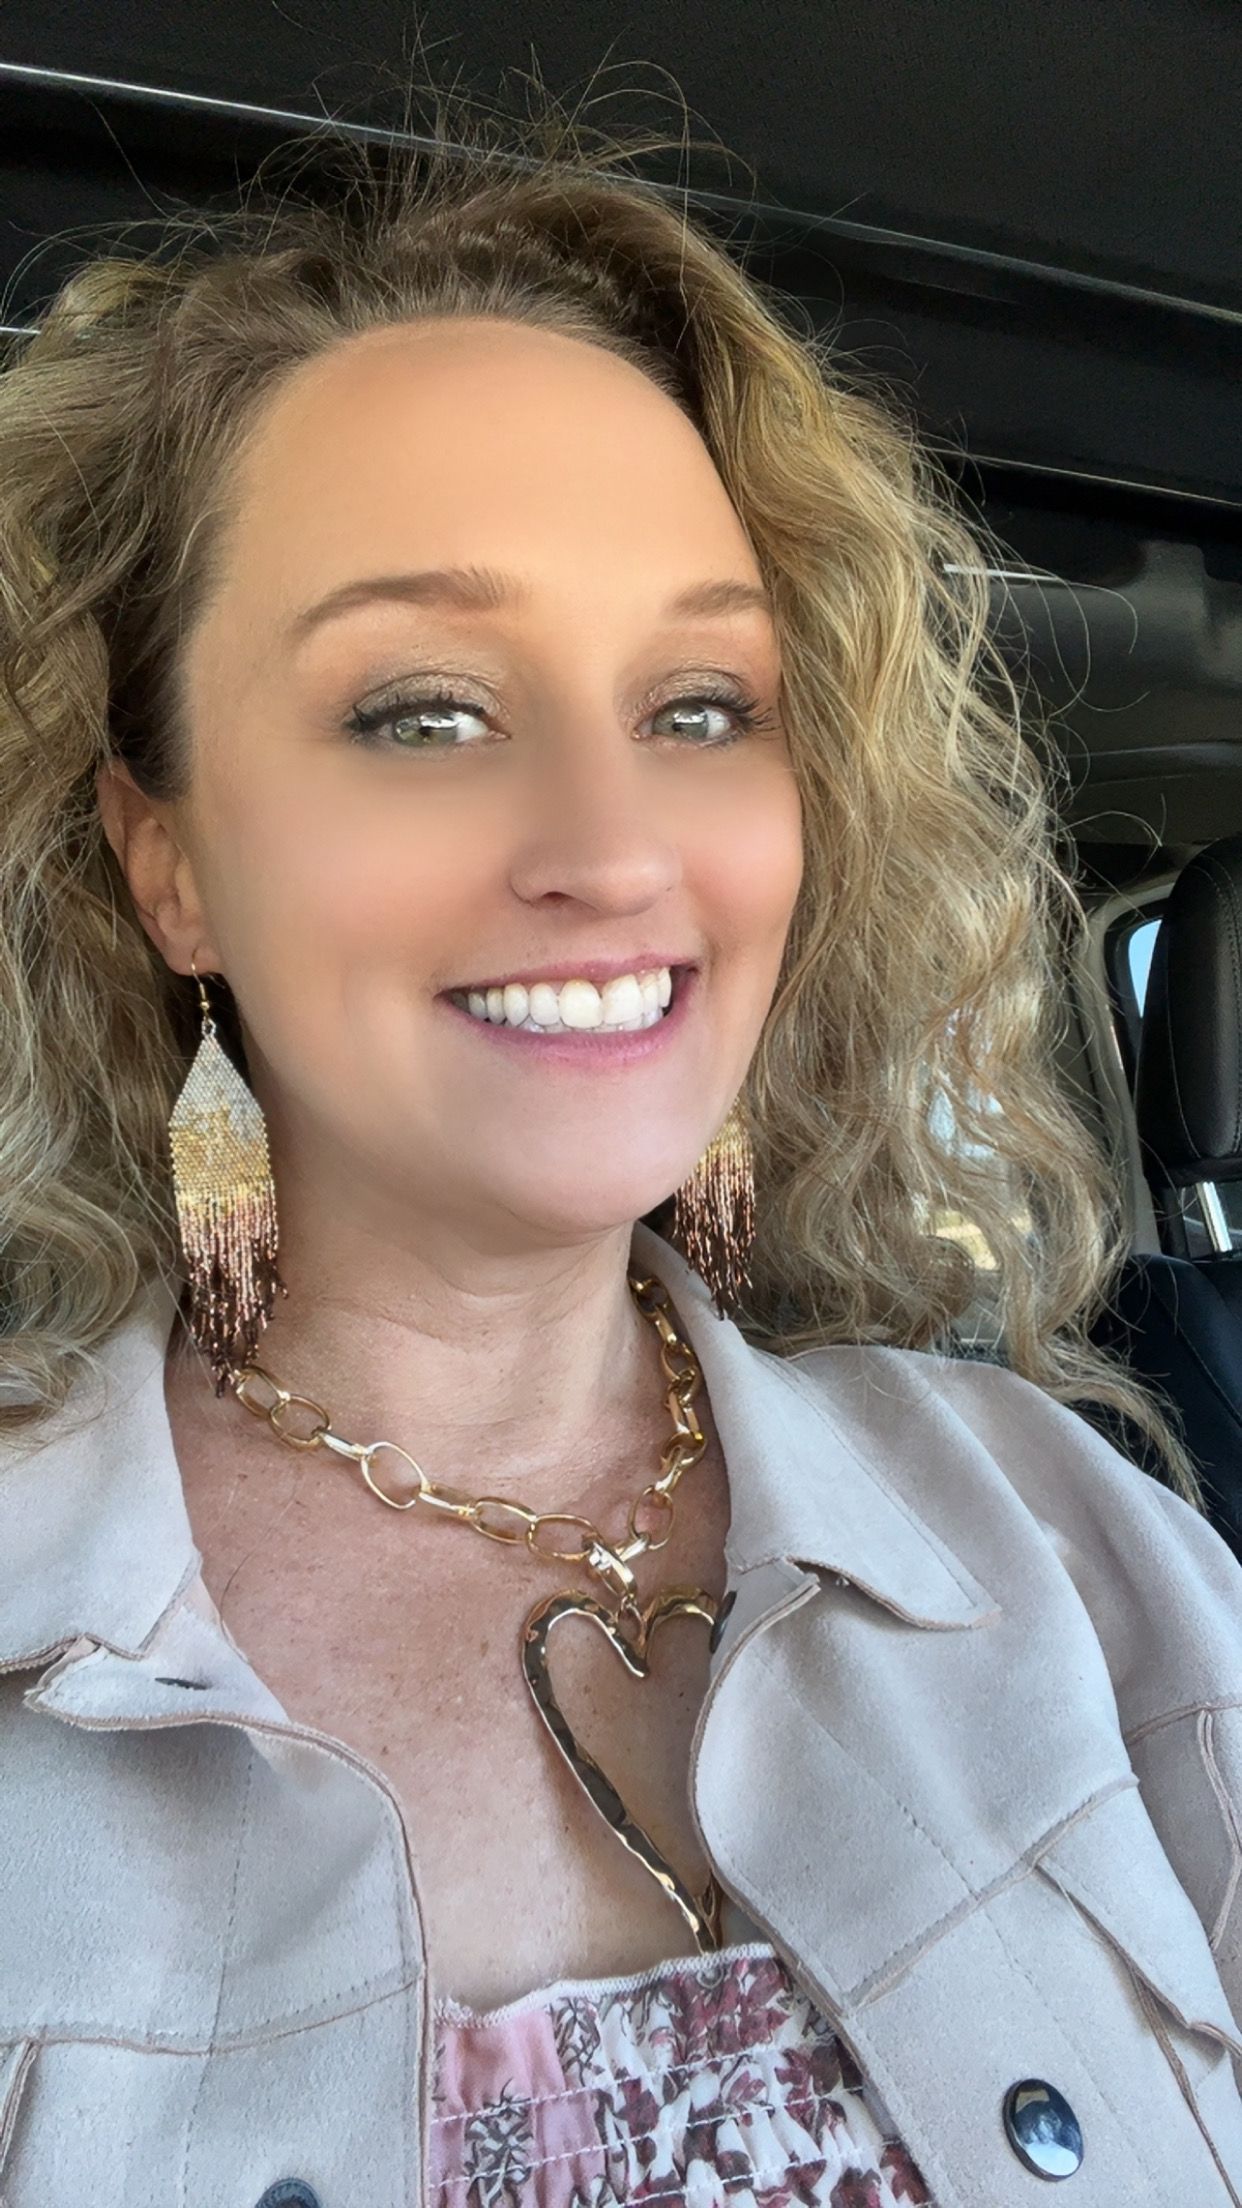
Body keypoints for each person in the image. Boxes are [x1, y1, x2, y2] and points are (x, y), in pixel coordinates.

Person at [1, 77, 1239, 2208]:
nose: (609, 847)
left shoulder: (1077, 1553)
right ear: (168, 863)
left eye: (699, 708)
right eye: (426, 713)